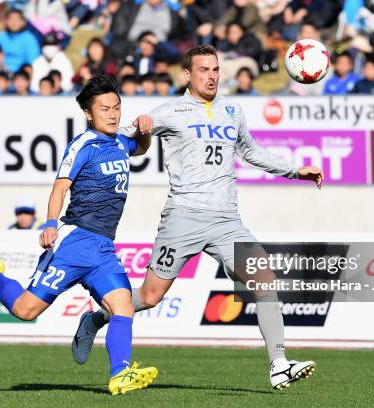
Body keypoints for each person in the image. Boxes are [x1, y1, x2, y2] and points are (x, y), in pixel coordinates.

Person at [74, 45, 323, 390]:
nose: (211, 76)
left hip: (226, 221)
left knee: (264, 278)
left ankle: (278, 364)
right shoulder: (171, 110)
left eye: (215, 69)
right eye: (203, 70)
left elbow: (251, 151)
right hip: (182, 218)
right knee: (148, 297)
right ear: (187, 75)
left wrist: (295, 170)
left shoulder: (232, 111)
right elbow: (121, 136)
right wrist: (141, 128)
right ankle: (98, 317)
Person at [0, 74, 158, 395]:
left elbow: (141, 147)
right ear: (89, 114)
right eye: (105, 108)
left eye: (117, 107)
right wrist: (51, 223)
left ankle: (120, 374)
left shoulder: (121, 140)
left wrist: (145, 131)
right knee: (26, 310)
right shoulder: (81, 145)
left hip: (103, 248)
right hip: (74, 242)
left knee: (123, 307)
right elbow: (59, 186)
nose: (113, 114)